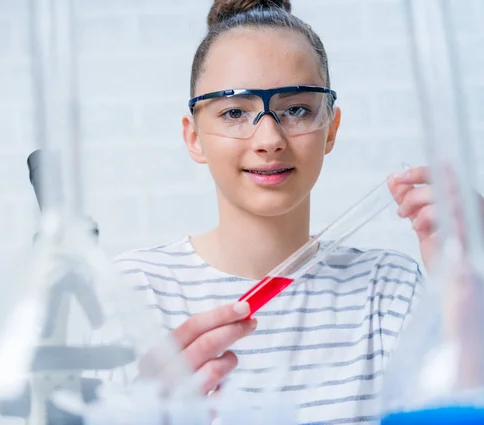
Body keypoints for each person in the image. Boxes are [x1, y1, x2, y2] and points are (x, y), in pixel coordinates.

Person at [111, 0, 452, 423]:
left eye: (296, 110)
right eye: (235, 112)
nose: (269, 138)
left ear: (331, 128)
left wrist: (468, 285)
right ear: (194, 137)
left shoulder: (389, 291)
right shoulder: (129, 293)